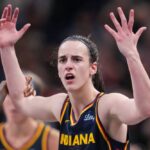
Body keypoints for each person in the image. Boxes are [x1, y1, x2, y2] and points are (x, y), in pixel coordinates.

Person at [0, 4, 150, 150]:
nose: (68, 65)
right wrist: (7, 48)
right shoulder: (60, 105)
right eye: (63, 60)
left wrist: (131, 54)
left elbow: (145, 108)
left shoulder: (108, 105)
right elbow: (21, 101)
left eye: (77, 59)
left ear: (93, 68)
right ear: (58, 70)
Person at [0, 81, 59, 150]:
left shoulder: (53, 140)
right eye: (8, 94)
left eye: (21, 94)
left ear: (34, 100)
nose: (14, 102)